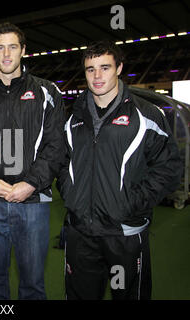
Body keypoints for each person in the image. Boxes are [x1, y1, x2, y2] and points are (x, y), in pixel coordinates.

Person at [56, 40, 182, 300]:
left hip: (123, 235)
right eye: (90, 69)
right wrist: (70, 194)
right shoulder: (74, 117)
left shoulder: (146, 115)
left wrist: (131, 204)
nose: (97, 76)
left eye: (105, 67)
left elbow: (169, 167)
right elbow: (61, 162)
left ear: (119, 68)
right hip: (81, 234)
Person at [0, 22, 65, 300]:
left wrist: (30, 184)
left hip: (33, 202)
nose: (7, 54)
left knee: (32, 283)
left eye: (13, 47)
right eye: (0, 47)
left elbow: (55, 146)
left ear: (23, 50)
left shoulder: (48, 93)